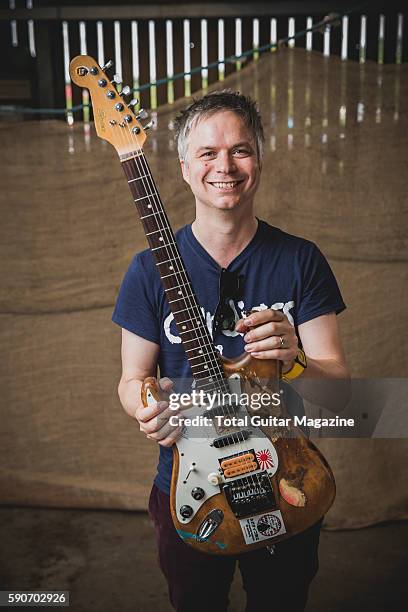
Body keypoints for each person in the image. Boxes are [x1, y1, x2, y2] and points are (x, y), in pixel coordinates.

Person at [112, 91, 349, 612]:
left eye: (241, 150)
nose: (225, 166)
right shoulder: (146, 271)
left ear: (258, 160)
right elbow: (133, 380)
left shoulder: (301, 260)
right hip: (189, 484)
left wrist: (299, 360)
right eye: (208, 153)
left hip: (286, 470)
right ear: (183, 167)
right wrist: (147, 403)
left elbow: (339, 393)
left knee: (281, 601)